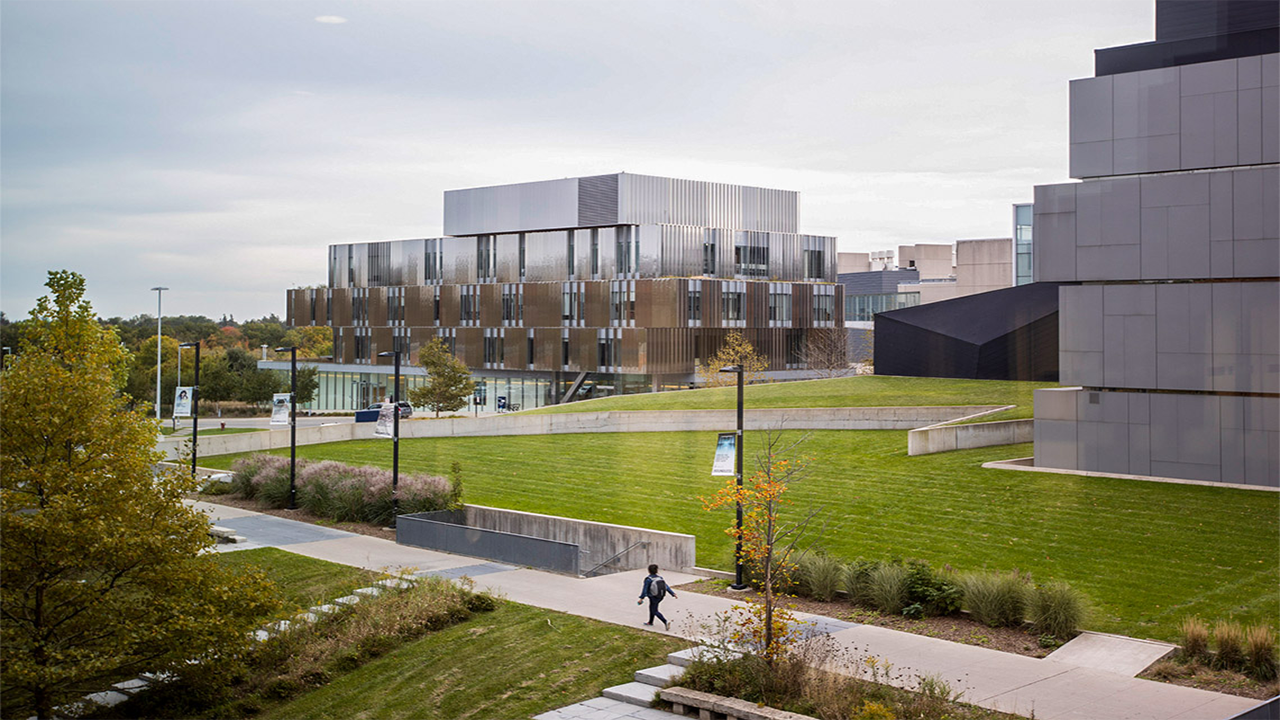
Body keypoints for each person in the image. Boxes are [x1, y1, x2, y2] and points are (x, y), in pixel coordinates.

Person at [637, 563, 677, 630]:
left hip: (653, 596)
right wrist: (672, 593)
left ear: (649, 570)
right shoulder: (660, 578)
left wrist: (641, 598)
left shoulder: (648, 579)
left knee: (654, 610)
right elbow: (666, 586)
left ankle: (665, 621)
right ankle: (650, 622)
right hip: (660, 596)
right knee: (652, 607)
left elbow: (645, 589)